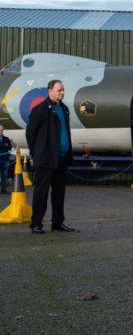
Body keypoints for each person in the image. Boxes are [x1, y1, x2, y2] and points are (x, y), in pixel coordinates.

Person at [26, 79, 74, 234]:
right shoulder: (40, 110)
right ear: (50, 91)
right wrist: (37, 153)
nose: (62, 92)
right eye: (59, 90)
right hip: (46, 159)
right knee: (42, 192)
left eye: (63, 90)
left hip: (61, 158)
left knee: (59, 193)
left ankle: (58, 223)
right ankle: (36, 223)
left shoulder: (64, 109)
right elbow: (30, 134)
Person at [0, 125, 13, 193]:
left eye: (1, 130)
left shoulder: (6, 138)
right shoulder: (6, 140)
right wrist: (5, 146)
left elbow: (10, 147)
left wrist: (5, 147)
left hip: (5, 159)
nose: (0, 131)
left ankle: (4, 189)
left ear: (3, 130)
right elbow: (5, 147)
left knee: (4, 175)